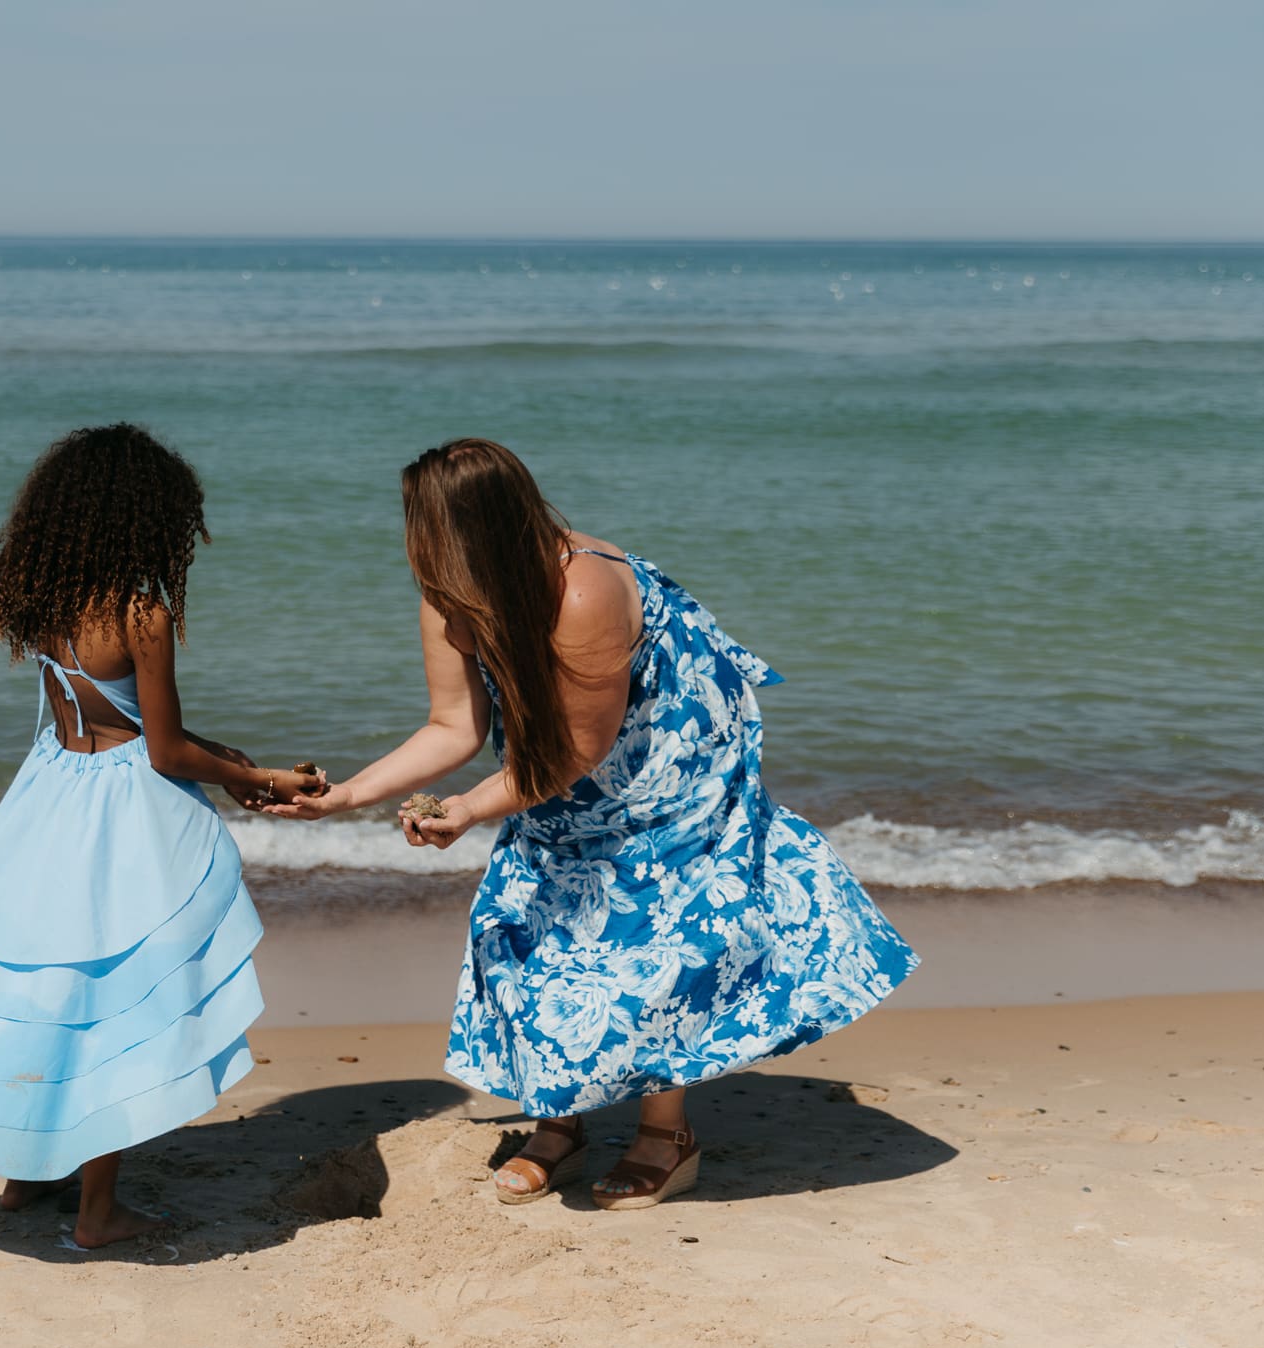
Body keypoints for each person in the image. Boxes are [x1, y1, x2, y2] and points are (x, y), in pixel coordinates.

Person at [268, 438, 918, 1210]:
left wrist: (472, 807)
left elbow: (580, 747)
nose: (419, 544)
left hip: (664, 750)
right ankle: (559, 1126)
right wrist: (347, 795)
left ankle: (665, 1136)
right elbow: (451, 725)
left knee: (658, 935)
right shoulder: (449, 595)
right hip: (567, 749)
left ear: (480, 527)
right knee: (526, 920)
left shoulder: (582, 592)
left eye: (430, 527)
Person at [0, 423, 324, 1247]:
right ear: (143, 518)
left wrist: (229, 760)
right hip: (125, 812)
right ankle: (98, 1211)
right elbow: (166, 749)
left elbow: (90, 719)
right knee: (117, 996)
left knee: (51, 984)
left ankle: (27, 1179)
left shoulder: (44, 592)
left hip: (53, 793)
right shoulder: (139, 608)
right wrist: (260, 778)